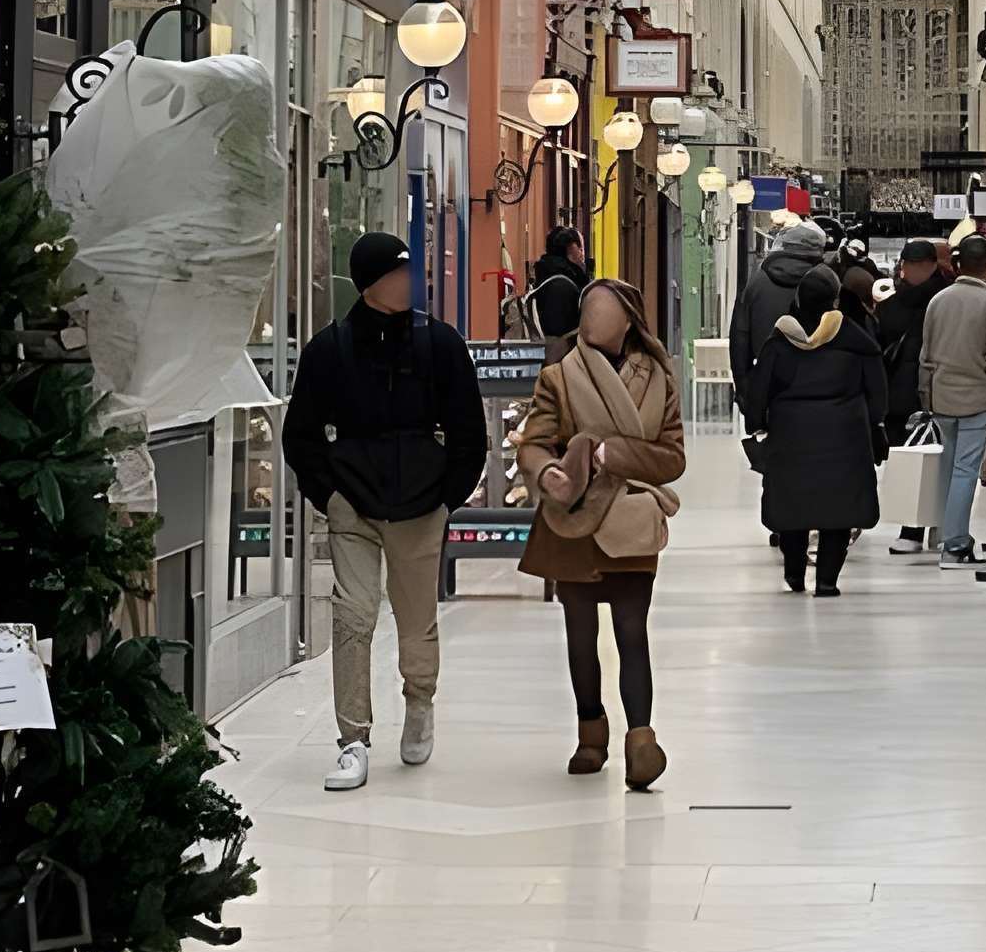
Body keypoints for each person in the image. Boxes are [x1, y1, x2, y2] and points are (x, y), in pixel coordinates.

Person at [282, 231, 487, 793]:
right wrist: (329, 497)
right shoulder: (331, 349)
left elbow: (470, 430)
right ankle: (353, 738)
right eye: (398, 273)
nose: (410, 282)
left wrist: (450, 496)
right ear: (372, 283)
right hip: (354, 504)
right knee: (352, 616)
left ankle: (419, 701)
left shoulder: (440, 344)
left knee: (417, 618)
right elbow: (299, 435)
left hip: (422, 505)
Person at [513, 278, 685, 789]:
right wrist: (547, 474)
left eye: (604, 311)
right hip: (572, 520)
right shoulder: (559, 377)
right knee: (580, 635)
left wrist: (616, 454)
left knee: (632, 631)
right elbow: (535, 441)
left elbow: (672, 457)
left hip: (629, 519)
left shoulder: (658, 377)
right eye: (589, 310)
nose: (593, 320)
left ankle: (641, 738)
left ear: (628, 319)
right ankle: (591, 731)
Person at [746, 263, 887, 596]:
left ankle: (794, 572)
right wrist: (876, 423)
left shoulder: (780, 341)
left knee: (793, 505)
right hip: (845, 436)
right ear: (834, 300)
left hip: (790, 436)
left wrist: (757, 424)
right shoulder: (855, 339)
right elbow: (876, 389)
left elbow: (759, 390)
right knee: (838, 510)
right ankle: (827, 580)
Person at [918, 233, 986, 567]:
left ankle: (941, 532)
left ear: (958, 264)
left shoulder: (938, 301)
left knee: (947, 468)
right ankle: (955, 544)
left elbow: (925, 355)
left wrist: (926, 394)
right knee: (964, 471)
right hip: (976, 399)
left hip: (942, 396)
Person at [877, 239, 945, 555]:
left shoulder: (893, 307)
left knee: (917, 462)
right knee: (929, 463)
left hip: (910, 395)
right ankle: (931, 527)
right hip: (928, 393)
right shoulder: (945, 299)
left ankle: (916, 530)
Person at [728, 217, 828, 405]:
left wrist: (745, 391)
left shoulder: (756, 282)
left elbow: (739, 339)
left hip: (769, 387)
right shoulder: (827, 283)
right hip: (819, 390)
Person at [530, 223, 590, 366]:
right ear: (570, 248)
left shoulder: (551, 276)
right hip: (561, 362)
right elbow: (559, 333)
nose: (583, 253)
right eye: (580, 247)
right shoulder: (561, 286)